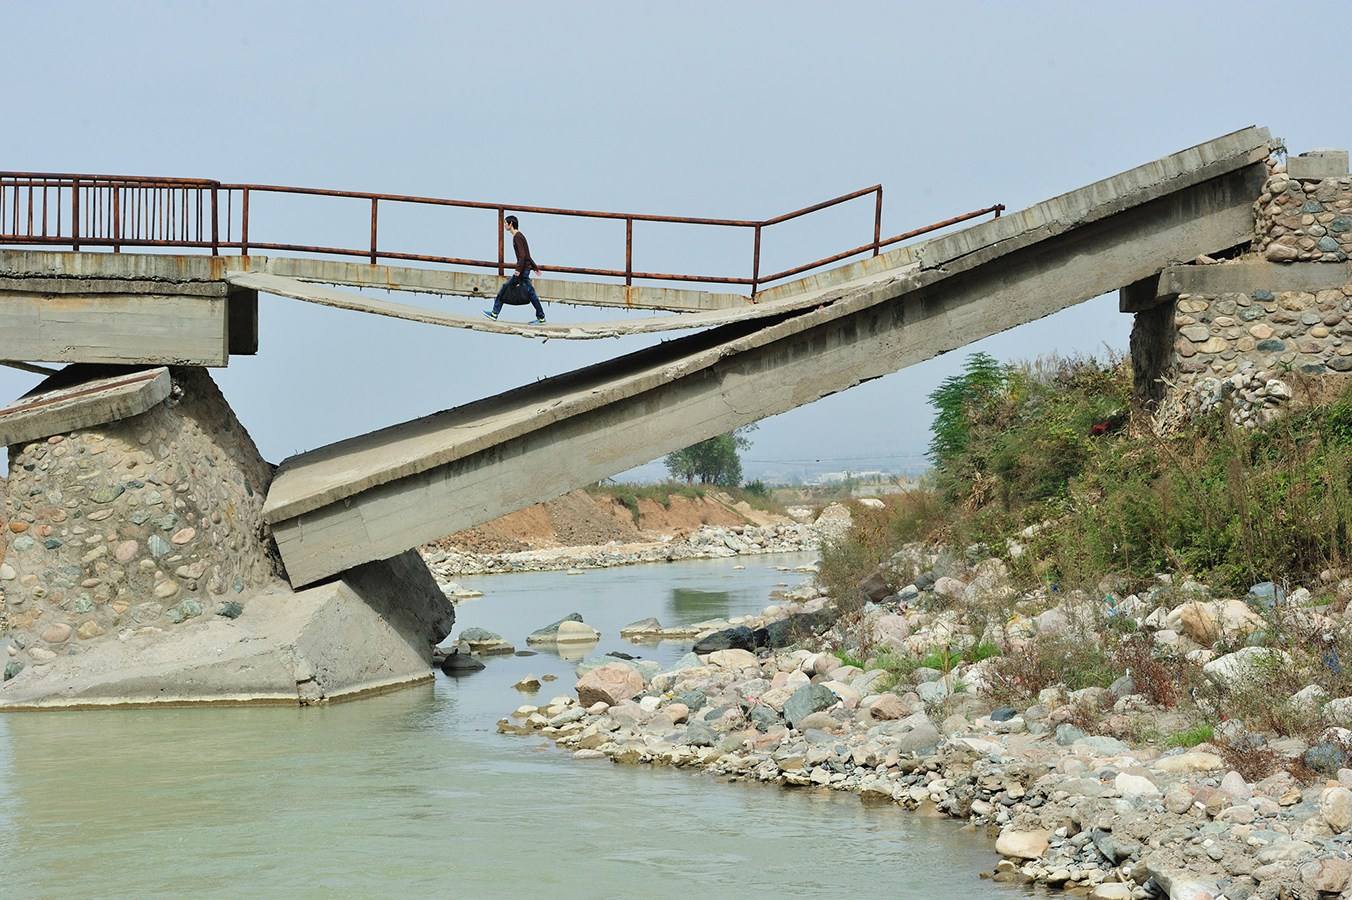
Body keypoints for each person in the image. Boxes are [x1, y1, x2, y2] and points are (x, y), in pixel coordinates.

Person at [483, 215, 546, 324]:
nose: (504, 225)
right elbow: (527, 255)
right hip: (525, 269)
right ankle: (541, 317)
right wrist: (535, 267)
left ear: (510, 224)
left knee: (505, 288)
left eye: (505, 223)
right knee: (529, 293)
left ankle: (494, 314)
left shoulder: (517, 237)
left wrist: (518, 270)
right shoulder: (520, 236)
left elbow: (522, 256)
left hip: (522, 270)